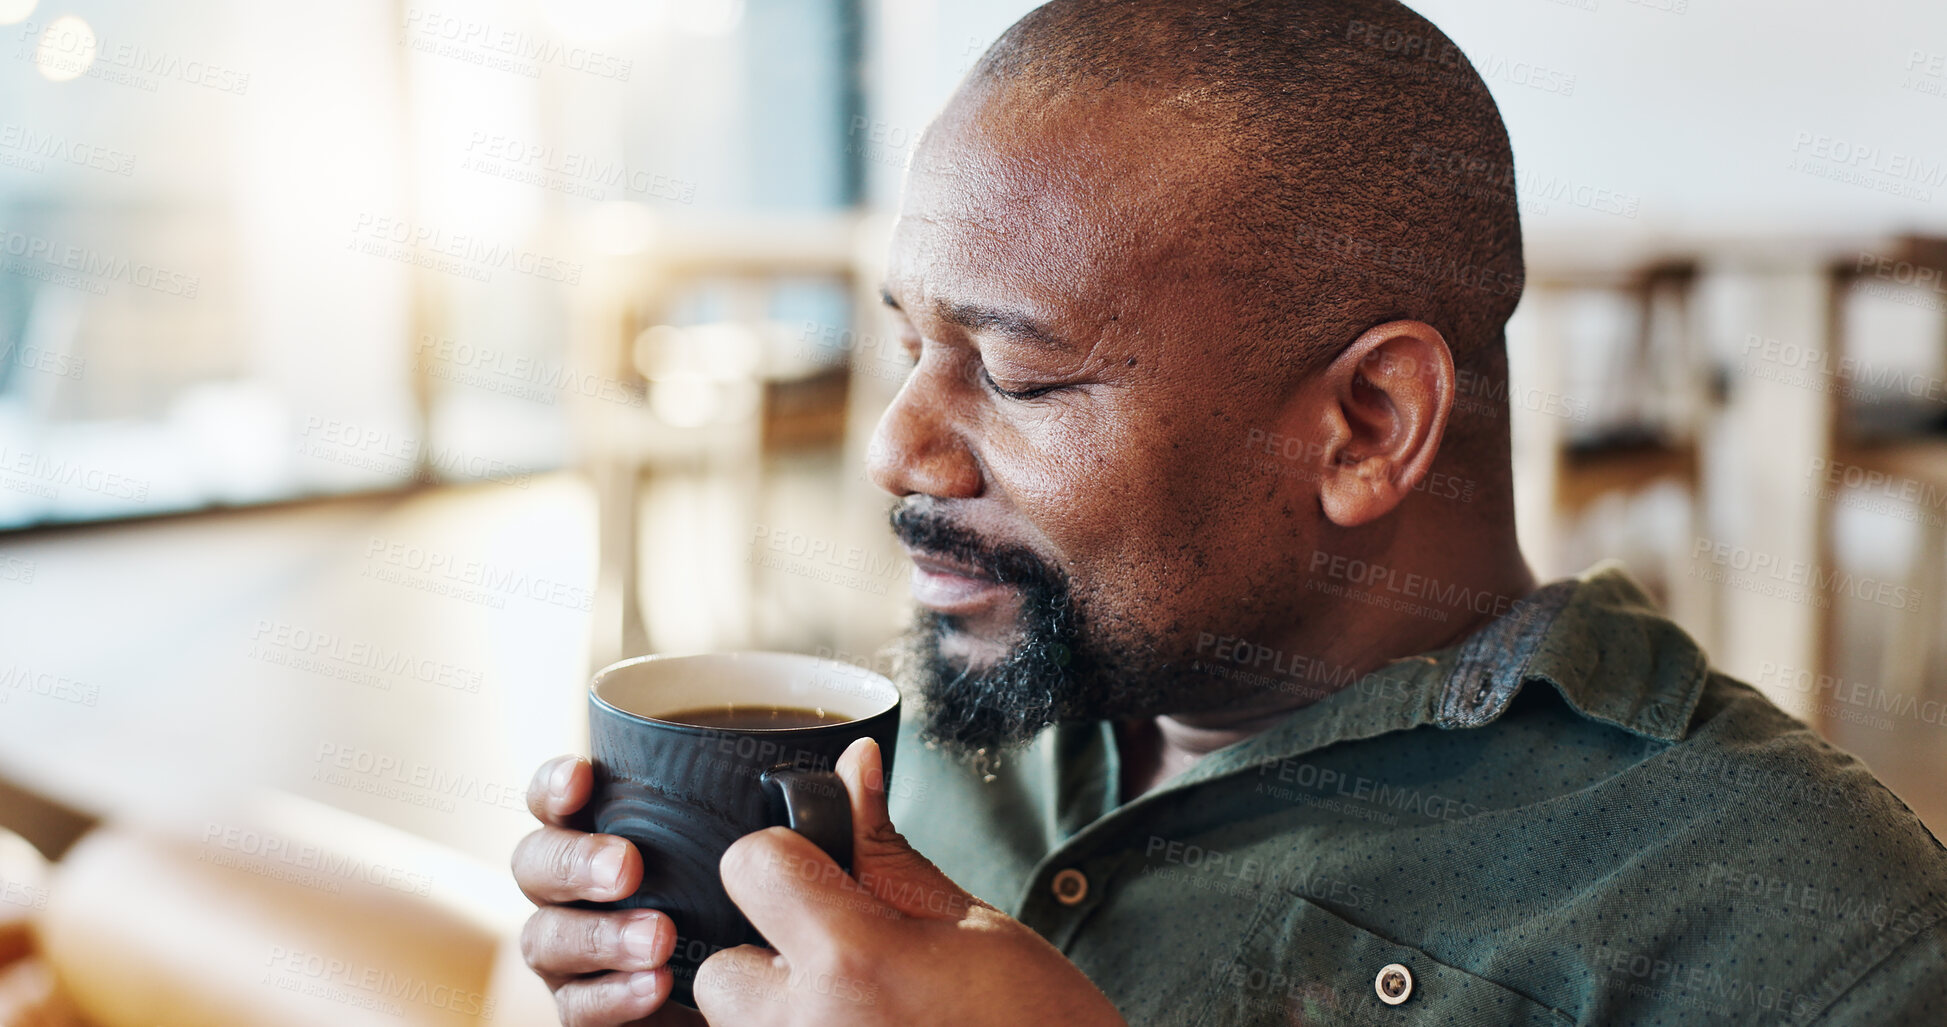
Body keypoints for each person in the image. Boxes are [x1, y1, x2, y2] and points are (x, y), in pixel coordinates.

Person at [511, 1, 1947, 1023]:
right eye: (909, 348)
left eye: (1016, 375)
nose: (896, 450)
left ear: (1366, 425)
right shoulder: (938, 736)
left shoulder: (1809, 937)